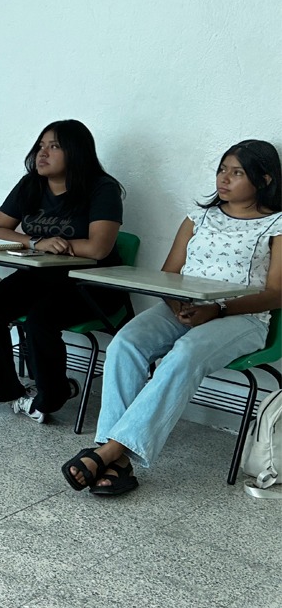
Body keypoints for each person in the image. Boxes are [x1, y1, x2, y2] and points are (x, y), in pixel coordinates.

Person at [62, 140, 282, 496]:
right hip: (183, 307)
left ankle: (109, 451)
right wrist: (176, 302)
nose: (224, 179)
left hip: (244, 317)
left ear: (265, 179)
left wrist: (219, 309)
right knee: (125, 343)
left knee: (183, 355)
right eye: (222, 169)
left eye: (237, 172)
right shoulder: (199, 216)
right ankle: (115, 461)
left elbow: (276, 292)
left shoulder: (277, 225)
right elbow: (170, 273)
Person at [0, 120, 126, 422]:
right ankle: (10, 392)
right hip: (43, 275)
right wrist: (37, 242)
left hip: (93, 283)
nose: (43, 153)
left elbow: (99, 249)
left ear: (76, 152)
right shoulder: (31, 185)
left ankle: (51, 396)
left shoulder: (102, 188)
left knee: (41, 318)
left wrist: (60, 244)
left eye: (54, 147)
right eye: (41, 146)